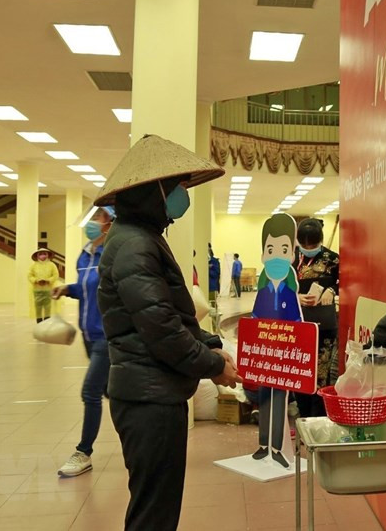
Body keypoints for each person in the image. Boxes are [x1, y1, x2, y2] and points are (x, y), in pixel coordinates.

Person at [95, 134, 242, 531]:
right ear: (154, 192)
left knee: (156, 507)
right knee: (154, 514)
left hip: (152, 392)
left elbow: (171, 315)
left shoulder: (140, 238)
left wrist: (211, 343)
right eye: (176, 186)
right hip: (149, 399)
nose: (182, 194)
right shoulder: (134, 246)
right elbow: (161, 330)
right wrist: (212, 364)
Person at [52, 206, 116, 478]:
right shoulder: (85, 253)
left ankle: (83, 452)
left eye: (98, 217)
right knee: (111, 393)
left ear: (109, 224)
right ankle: (144, 441)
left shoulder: (111, 254)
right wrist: (68, 289)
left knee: (90, 392)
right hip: (88, 336)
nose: (92, 221)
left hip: (107, 335)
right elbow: (88, 288)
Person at [251, 213, 303, 468]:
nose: (276, 256)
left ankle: (277, 448)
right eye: (270, 249)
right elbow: (254, 318)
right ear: (263, 253)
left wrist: (296, 346)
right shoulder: (262, 289)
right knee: (264, 397)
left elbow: (297, 322)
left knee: (279, 398)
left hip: (283, 356)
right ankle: (263, 445)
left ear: (292, 254)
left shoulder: (289, 290)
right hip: (264, 353)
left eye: (283, 249)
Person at [293, 217, 340, 417]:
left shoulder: (333, 259)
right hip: (297, 326)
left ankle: (319, 417)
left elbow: (348, 280)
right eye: (304, 245)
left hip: (325, 327)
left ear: (320, 241)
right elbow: (273, 288)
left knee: (323, 374)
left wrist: (332, 289)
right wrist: (295, 296)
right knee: (300, 372)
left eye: (312, 245)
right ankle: (303, 414)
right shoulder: (289, 259)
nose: (307, 248)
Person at [28, 248, 58, 323]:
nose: (42, 256)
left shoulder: (52, 265)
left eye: (44, 254)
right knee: (38, 307)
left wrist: (48, 280)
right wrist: (36, 280)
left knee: (47, 307)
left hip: (48, 289)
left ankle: (47, 322)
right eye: (40, 254)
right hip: (37, 290)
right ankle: (39, 323)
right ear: (37, 256)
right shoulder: (34, 266)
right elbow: (30, 275)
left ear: (48, 255)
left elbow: (55, 275)